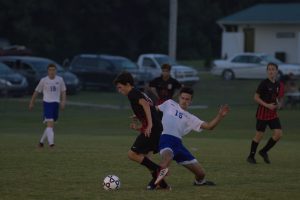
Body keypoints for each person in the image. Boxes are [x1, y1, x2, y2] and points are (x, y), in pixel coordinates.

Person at [154, 87, 229, 186]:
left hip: (179, 145)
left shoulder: (190, 117)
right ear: (179, 98)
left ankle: (199, 182)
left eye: (187, 99)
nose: (184, 101)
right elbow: (153, 110)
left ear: (191, 101)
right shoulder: (169, 103)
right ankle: (157, 183)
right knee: (167, 160)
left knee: (201, 174)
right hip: (166, 139)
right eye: (183, 98)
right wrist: (140, 116)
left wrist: (220, 115)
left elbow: (209, 126)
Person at [113, 71, 170, 190]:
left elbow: (144, 104)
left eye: (120, 87)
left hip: (153, 128)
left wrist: (149, 124)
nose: (119, 90)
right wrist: (139, 119)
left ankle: (159, 169)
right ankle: (162, 184)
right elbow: (150, 106)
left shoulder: (132, 93)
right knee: (145, 158)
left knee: (132, 154)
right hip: (156, 128)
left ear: (127, 84)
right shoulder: (138, 92)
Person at [247, 62, 284, 164]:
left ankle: (263, 151)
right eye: (269, 69)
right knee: (259, 135)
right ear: (267, 71)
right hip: (262, 113)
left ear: (276, 71)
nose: (271, 71)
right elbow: (256, 97)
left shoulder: (278, 84)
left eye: (273, 69)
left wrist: (279, 104)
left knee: (278, 134)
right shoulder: (264, 83)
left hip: (273, 114)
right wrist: (267, 105)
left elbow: (276, 98)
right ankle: (251, 156)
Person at [29, 63, 66, 148]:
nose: (52, 72)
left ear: (56, 71)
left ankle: (41, 143)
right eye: (50, 70)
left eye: (53, 70)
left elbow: (63, 91)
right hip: (47, 103)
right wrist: (32, 102)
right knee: (50, 124)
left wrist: (63, 101)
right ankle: (51, 145)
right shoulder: (44, 80)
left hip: (56, 104)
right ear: (47, 71)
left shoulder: (60, 80)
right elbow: (36, 91)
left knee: (50, 124)